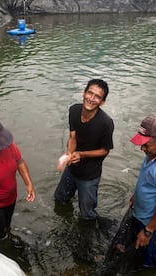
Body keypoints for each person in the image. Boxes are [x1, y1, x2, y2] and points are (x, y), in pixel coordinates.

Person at [101, 114, 156, 274]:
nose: (142, 148)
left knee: (149, 263)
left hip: (154, 224)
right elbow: (149, 180)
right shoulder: (154, 153)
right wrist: (136, 195)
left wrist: (148, 231)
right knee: (133, 250)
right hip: (141, 213)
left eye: (146, 145)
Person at [54, 79, 114, 220]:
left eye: (97, 97)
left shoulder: (106, 123)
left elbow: (105, 150)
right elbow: (73, 137)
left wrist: (81, 154)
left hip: (89, 175)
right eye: (90, 93)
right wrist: (69, 154)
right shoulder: (74, 110)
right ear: (84, 93)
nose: (91, 99)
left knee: (87, 214)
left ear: (102, 102)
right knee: (60, 198)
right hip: (72, 168)